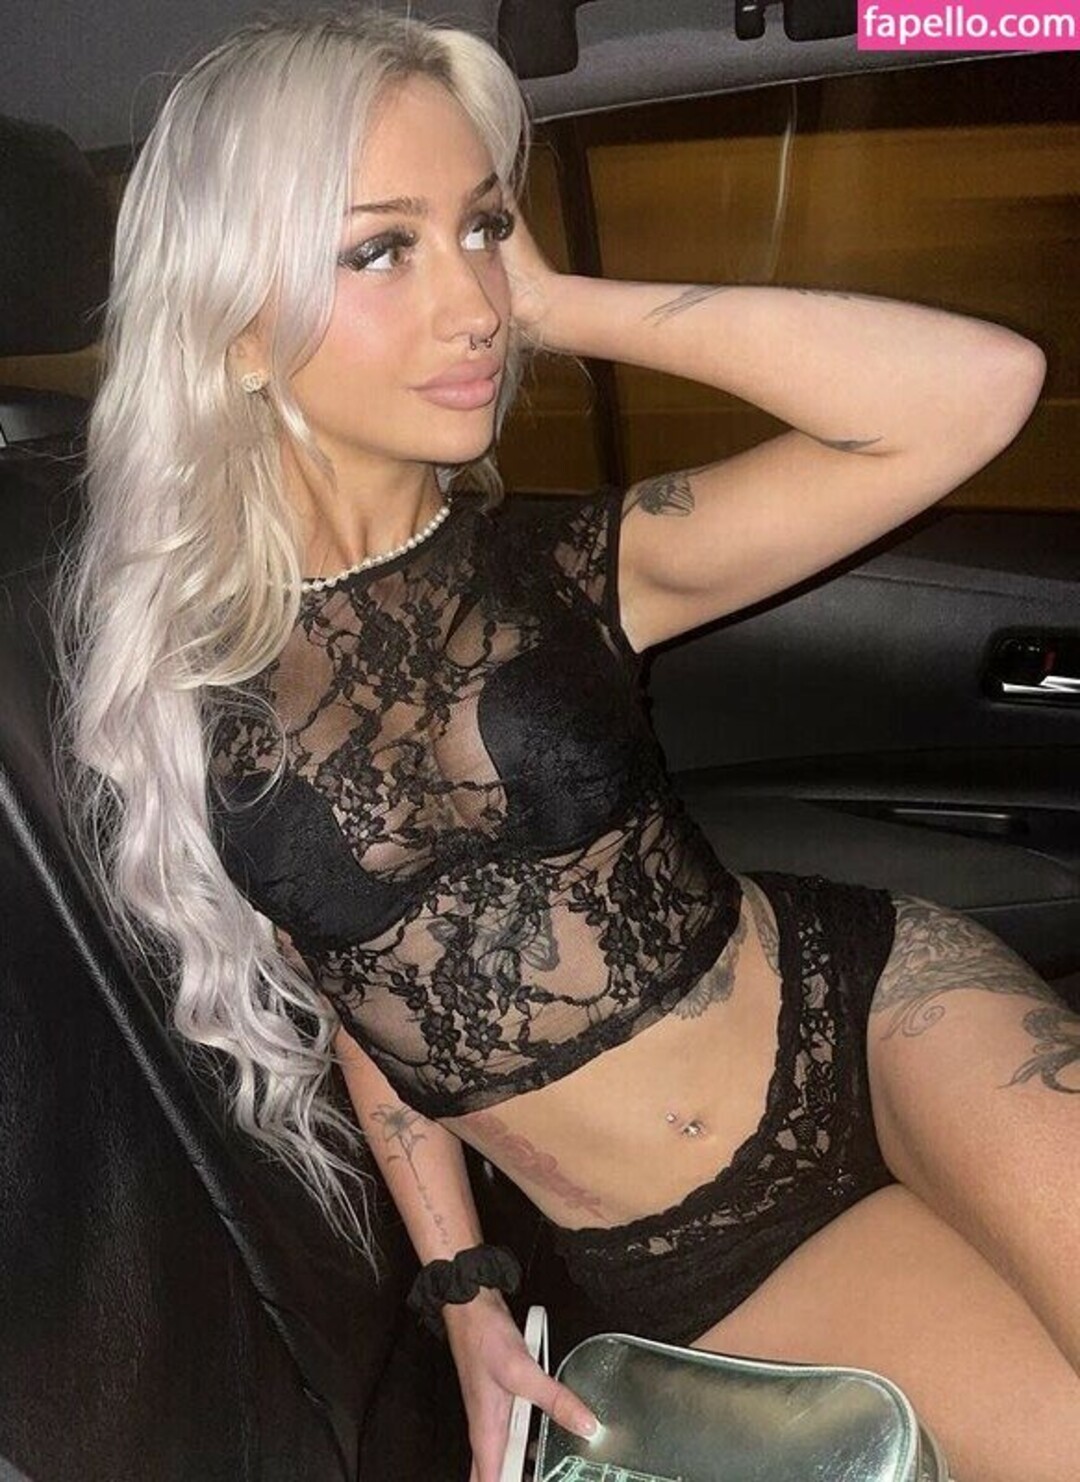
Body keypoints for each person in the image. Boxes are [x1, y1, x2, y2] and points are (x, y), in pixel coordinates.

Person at [60, 11, 1079, 1482]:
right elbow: (369, 1001)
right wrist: (465, 1290)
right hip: (689, 1240)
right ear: (235, 315)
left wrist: (558, 299)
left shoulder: (563, 567)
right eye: (380, 248)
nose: (471, 303)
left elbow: (973, 390)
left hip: (871, 1007)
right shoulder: (186, 698)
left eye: (480, 228)